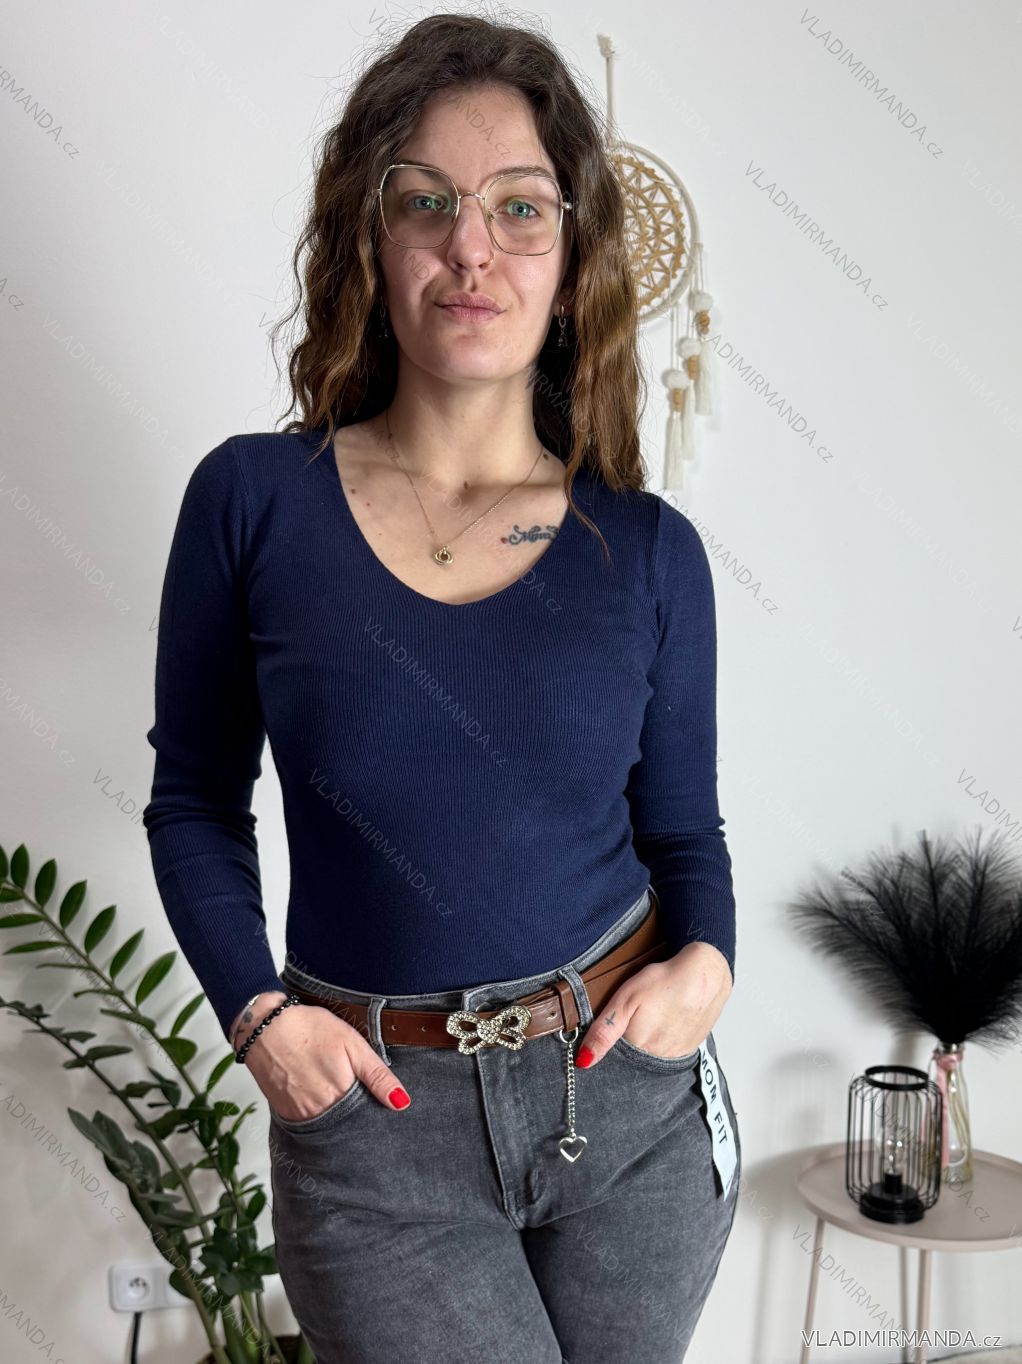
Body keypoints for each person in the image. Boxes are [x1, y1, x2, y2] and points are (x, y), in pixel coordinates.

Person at [142, 13, 741, 1363]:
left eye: (519, 208)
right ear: (372, 241)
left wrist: (706, 966)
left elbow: (684, 831)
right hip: (376, 1133)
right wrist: (258, 1019)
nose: (472, 248)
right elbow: (193, 803)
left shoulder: (649, 552)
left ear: (573, 261)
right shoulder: (253, 501)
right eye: (427, 203)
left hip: (625, 1112)